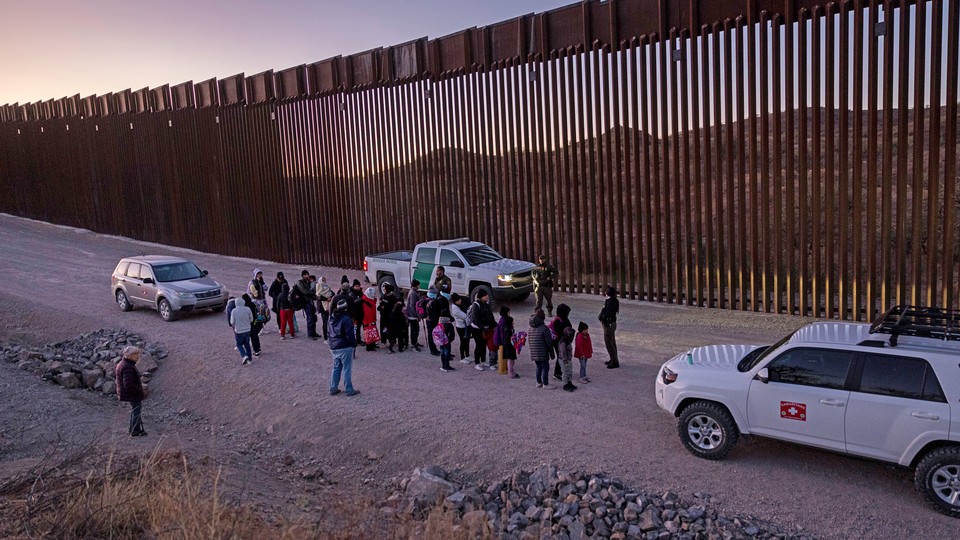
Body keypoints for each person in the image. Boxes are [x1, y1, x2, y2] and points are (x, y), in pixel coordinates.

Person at [328, 299, 360, 396]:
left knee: (336, 367)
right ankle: (349, 389)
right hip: (344, 346)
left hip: (333, 346)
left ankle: (333, 388)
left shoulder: (331, 318)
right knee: (347, 368)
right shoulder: (346, 319)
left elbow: (328, 331)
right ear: (346, 308)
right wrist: (354, 344)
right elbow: (349, 334)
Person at [116, 345, 147, 436]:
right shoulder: (127, 366)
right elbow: (128, 385)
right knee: (136, 411)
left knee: (135, 410)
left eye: (137, 354)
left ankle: (133, 429)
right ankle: (135, 430)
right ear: (129, 355)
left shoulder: (124, 363)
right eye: (135, 354)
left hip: (128, 393)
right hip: (131, 394)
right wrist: (138, 390)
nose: (137, 356)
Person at [467, 288, 495, 370]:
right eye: (485, 295)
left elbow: (491, 316)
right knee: (479, 345)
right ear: (481, 296)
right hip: (477, 329)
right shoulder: (476, 305)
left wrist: (493, 325)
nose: (487, 297)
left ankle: (483, 360)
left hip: (485, 328)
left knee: (484, 345)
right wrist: (483, 328)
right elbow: (476, 319)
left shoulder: (486, 304)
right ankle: (477, 362)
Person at [528, 309, 554, 389]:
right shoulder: (544, 328)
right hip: (543, 352)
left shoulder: (530, 328)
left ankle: (538, 382)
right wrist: (552, 353)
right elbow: (549, 342)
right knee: (545, 367)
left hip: (534, 352)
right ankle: (545, 384)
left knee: (538, 367)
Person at [599, 286, 620, 369]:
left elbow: (608, 313)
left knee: (609, 343)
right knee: (611, 342)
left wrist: (602, 317)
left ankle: (614, 361)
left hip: (609, 324)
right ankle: (613, 359)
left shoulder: (611, 302)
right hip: (610, 323)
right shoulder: (612, 301)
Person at [494, 306, 518, 378]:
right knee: (505, 357)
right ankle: (505, 370)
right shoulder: (505, 324)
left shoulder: (503, 320)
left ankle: (506, 369)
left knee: (506, 357)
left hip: (503, 341)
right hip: (504, 342)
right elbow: (503, 335)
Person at [551, 304, 573, 380]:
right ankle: (557, 373)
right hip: (559, 342)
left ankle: (560, 371)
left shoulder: (563, 319)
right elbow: (560, 332)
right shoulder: (558, 320)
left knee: (562, 356)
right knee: (560, 356)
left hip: (563, 341)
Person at [296, 270, 320, 339]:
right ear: (303, 275)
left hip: (311, 302)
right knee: (310, 318)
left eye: (307, 274)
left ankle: (314, 332)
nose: (307, 276)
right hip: (306, 303)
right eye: (305, 275)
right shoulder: (300, 283)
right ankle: (310, 334)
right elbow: (305, 292)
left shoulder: (308, 281)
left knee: (314, 318)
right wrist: (313, 293)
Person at [377, 283, 400, 347]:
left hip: (389, 316)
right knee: (383, 328)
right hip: (383, 316)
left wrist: (384, 307)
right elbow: (380, 305)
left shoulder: (393, 298)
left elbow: (391, 307)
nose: (384, 290)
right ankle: (384, 340)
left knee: (390, 329)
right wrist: (381, 306)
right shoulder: (384, 296)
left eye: (385, 289)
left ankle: (392, 340)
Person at [450, 293, 471, 363]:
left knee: (467, 341)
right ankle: (462, 357)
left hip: (465, 326)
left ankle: (467, 355)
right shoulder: (455, 309)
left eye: (460, 299)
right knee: (463, 342)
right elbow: (465, 316)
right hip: (461, 327)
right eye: (458, 300)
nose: (460, 301)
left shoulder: (458, 305)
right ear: (455, 301)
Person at [405, 279, 423, 352]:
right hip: (412, 316)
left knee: (416, 329)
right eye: (418, 285)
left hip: (413, 315)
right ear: (416, 285)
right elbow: (413, 306)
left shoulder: (414, 292)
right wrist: (417, 315)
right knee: (414, 330)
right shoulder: (413, 293)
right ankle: (413, 344)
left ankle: (415, 342)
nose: (419, 286)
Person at [244, 293, 264, 358]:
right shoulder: (252, 304)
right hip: (256, 322)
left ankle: (256, 351)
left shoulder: (246, 307)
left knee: (251, 337)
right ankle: (258, 348)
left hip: (250, 324)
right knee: (255, 336)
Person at [424, 286, 442, 356]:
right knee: (432, 335)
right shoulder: (433, 302)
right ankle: (433, 350)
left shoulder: (427, 299)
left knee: (430, 335)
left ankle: (433, 349)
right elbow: (435, 313)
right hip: (432, 321)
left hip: (428, 320)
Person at [316, 276, 334, 341]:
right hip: (322, 307)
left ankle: (329, 334)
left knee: (329, 321)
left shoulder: (327, 286)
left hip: (328, 306)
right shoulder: (318, 286)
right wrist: (327, 298)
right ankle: (325, 336)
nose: (324, 281)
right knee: (325, 322)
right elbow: (318, 296)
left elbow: (332, 293)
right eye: (323, 280)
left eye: (324, 280)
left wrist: (330, 297)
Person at [559, 327, 577, 391]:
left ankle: (569, 383)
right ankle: (565, 385)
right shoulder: (563, 341)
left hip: (568, 360)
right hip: (564, 360)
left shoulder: (567, 340)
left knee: (569, 371)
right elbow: (563, 352)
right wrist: (565, 361)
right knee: (565, 372)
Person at [362, 287, 379, 351]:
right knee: (369, 333)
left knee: (372, 332)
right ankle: (369, 346)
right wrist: (371, 320)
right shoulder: (366, 301)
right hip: (368, 320)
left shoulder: (368, 299)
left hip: (371, 319)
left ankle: (372, 344)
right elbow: (367, 312)